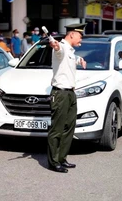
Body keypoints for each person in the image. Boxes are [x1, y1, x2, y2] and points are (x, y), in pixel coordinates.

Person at [47, 23, 87, 173]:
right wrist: (55, 46)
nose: (81, 40)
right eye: (80, 36)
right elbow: (58, 50)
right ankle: (53, 161)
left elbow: (70, 58)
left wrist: (80, 60)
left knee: (69, 128)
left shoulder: (70, 51)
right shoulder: (62, 47)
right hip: (60, 94)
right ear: (71, 34)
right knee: (57, 129)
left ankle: (62, 158)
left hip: (70, 93)